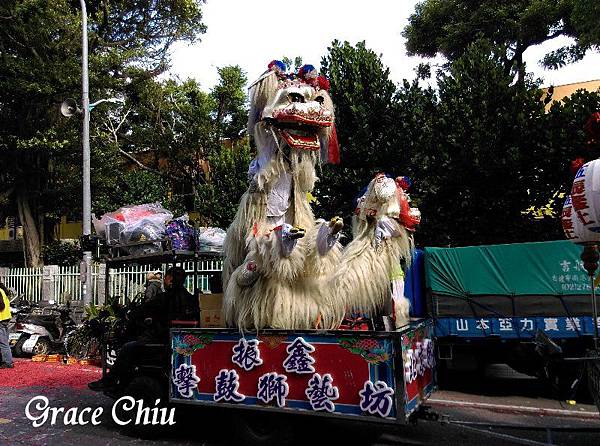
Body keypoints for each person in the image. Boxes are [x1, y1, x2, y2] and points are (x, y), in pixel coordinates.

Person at [88, 266, 198, 391]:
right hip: (178, 340)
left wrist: (131, 314)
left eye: (166, 277)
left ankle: (109, 380)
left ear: (170, 278)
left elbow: (142, 310)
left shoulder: (165, 298)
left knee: (127, 348)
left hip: (161, 341)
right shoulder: (190, 298)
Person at [0, 282, 14, 369]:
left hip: (1, 319)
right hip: (5, 318)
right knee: (4, 341)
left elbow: (1, 306)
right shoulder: (2, 290)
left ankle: (8, 362)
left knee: (3, 343)